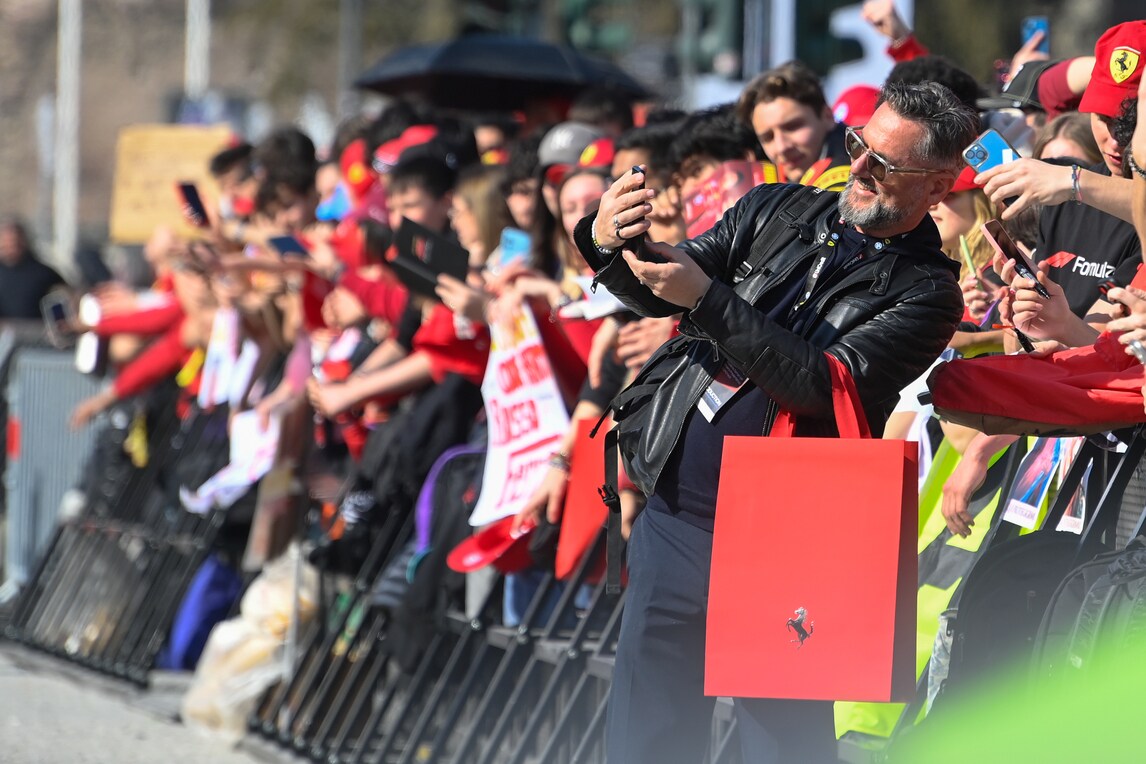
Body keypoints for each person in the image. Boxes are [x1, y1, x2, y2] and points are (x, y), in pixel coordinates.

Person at [576, 81, 977, 763]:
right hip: (676, 514)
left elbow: (822, 385)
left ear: (938, 187)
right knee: (646, 735)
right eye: (858, 146)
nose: (860, 168)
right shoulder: (774, 206)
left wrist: (705, 300)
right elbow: (663, 283)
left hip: (789, 538)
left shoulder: (930, 291)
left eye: (886, 164)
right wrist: (607, 240)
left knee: (779, 744)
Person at [735, 60, 851, 188]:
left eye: (792, 127)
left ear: (828, 116)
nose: (781, 147)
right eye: (768, 138)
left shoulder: (852, 179)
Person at [0, 217, 65, 320]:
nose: (11, 246)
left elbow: (65, 295)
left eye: (15, 241)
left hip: (36, 331)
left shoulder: (43, 273)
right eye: (6, 242)